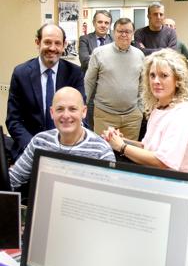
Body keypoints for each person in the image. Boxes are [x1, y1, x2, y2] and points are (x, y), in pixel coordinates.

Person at [101, 50, 188, 174]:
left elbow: (163, 162)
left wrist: (122, 147)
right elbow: (148, 147)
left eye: (163, 75)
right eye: (152, 75)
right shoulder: (159, 107)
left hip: (178, 187)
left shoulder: (183, 113)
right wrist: (118, 140)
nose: (156, 81)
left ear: (178, 80)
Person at [9, 87, 115, 191]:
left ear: (84, 112)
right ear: (52, 112)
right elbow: (12, 180)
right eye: (60, 109)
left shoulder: (101, 150)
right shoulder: (40, 142)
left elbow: (110, 194)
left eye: (72, 109)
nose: (66, 115)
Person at [7, 23, 86, 160]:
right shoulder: (21, 73)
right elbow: (14, 120)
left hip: (66, 149)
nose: (52, 48)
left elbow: (81, 114)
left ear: (64, 45)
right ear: (38, 42)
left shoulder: (74, 73)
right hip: (30, 148)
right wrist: (35, 148)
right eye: (47, 42)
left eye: (57, 43)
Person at [85, 18, 145, 140]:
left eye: (127, 32)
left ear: (132, 34)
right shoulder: (99, 53)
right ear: (113, 32)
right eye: (120, 31)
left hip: (132, 117)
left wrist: (141, 109)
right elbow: (89, 82)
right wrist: (82, 106)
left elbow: (143, 85)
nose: (124, 34)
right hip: (104, 115)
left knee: (130, 155)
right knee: (103, 154)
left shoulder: (140, 55)